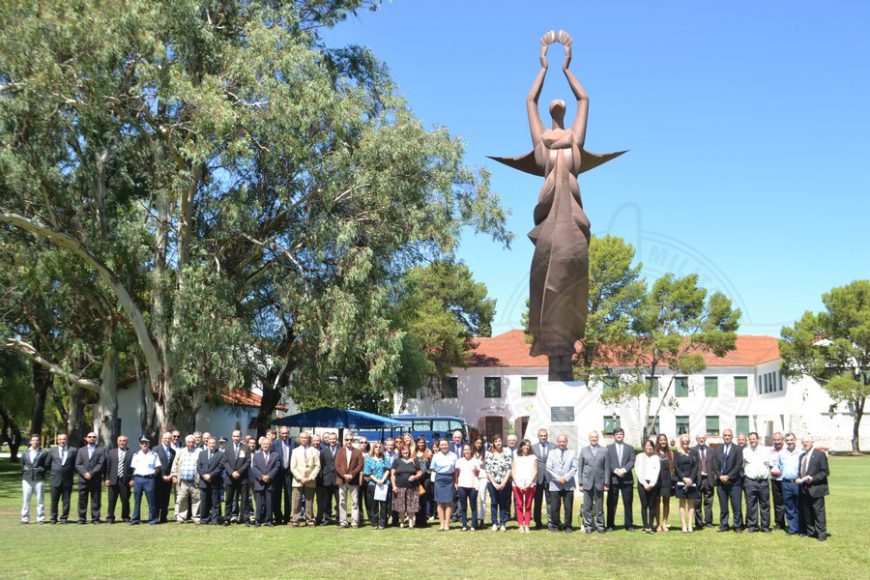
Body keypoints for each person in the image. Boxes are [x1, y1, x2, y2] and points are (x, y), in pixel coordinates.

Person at [796, 436, 829, 541]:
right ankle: (811, 532)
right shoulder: (802, 456)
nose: (805, 443)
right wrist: (798, 478)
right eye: (803, 442)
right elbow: (800, 471)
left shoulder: (820, 455)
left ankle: (821, 535)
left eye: (807, 441)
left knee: (818, 513)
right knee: (807, 512)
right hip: (804, 488)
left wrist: (813, 479)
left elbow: (825, 472)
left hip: (816, 488)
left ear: (812, 442)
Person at [711, 428, 743, 532]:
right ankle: (724, 525)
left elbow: (738, 465)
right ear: (723, 437)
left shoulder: (737, 449)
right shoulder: (718, 448)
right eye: (725, 435)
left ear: (732, 437)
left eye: (729, 435)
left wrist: (728, 476)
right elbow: (714, 464)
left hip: (734, 483)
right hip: (721, 483)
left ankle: (737, 526)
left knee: (736, 506)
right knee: (723, 506)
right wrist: (720, 476)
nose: (727, 437)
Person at [545, 434, 577, 533]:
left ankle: (568, 526)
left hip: (568, 484)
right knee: (555, 506)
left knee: (568, 507)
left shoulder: (572, 452)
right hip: (555, 484)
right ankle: (556, 525)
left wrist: (566, 478)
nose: (562, 443)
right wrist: (558, 478)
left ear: (566, 442)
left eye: (564, 441)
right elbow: (549, 468)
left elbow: (574, 467)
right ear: (557, 442)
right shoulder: (551, 453)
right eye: (560, 441)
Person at [579, 431, 609, 534]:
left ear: (598, 438)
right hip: (587, 481)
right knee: (587, 506)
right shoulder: (584, 450)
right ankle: (588, 526)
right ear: (589, 438)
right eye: (592, 437)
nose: (594, 439)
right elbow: (580, 467)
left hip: (599, 482)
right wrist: (580, 483)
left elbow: (607, 468)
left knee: (599, 506)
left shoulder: (604, 450)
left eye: (595, 437)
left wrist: (606, 483)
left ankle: (600, 525)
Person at [605, 427, 635, 531]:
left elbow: (632, 460)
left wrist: (624, 470)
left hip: (627, 479)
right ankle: (610, 524)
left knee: (628, 502)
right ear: (614, 436)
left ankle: (629, 524)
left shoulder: (629, 447)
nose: (619, 436)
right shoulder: (608, 448)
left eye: (621, 434)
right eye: (617, 434)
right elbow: (608, 461)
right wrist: (616, 470)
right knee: (611, 503)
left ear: (623, 435)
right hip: (614, 479)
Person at [290, 431, 321, 527]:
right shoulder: (295, 451)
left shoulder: (315, 451)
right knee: (297, 500)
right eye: (302, 437)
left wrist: (310, 478)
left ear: (309, 439)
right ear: (299, 439)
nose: (304, 439)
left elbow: (317, 466)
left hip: (310, 480)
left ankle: (310, 519)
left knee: (309, 500)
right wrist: (300, 478)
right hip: (298, 480)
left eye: (306, 437)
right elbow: (292, 467)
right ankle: (295, 519)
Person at [44, 433, 76, 524]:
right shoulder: (52, 451)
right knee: (54, 500)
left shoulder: (73, 451)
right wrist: (55, 472)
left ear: (67, 440)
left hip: (67, 480)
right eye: (60, 439)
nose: (62, 441)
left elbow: (74, 465)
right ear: (57, 440)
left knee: (66, 500)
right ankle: (53, 518)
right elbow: (47, 464)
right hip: (55, 480)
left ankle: (64, 518)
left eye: (64, 439)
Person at [743, 431, 771, 532]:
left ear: (758, 439)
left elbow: (769, 464)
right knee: (751, 505)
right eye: (750, 439)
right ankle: (752, 525)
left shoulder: (765, 450)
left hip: (763, 481)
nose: (752, 441)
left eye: (754, 439)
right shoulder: (745, 451)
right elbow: (742, 464)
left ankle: (765, 526)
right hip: (750, 481)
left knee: (765, 504)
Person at [75, 431, 106, 524]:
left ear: (96, 439)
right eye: (90, 437)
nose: (92, 438)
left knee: (96, 499)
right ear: (86, 438)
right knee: (82, 499)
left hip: (95, 479)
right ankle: (82, 518)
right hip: (83, 479)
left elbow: (101, 463)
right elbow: (78, 463)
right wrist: (85, 473)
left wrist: (91, 473)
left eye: (94, 437)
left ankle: (95, 518)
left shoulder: (101, 450)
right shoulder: (81, 450)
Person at [777, 433, 804, 535]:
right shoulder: (782, 454)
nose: (789, 442)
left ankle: (801, 528)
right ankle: (792, 529)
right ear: (785, 441)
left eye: (791, 440)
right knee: (789, 507)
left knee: (799, 507)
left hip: (797, 483)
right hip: (785, 484)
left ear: (795, 440)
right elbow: (778, 466)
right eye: (787, 440)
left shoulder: (801, 453)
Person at [129, 435, 161, 525]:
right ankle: (135, 519)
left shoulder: (154, 454)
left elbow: (158, 467)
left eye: (146, 443)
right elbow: (133, 468)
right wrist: (133, 479)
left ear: (149, 444)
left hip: (149, 479)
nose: (144, 444)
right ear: (140, 445)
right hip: (138, 479)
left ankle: (153, 519)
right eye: (142, 443)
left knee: (151, 500)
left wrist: (152, 475)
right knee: (137, 500)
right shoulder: (136, 455)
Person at [335, 432, 364, 528]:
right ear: (344, 440)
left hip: (353, 480)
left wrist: (352, 475)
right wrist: (344, 475)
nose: (349, 441)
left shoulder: (358, 452)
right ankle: (343, 521)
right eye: (347, 439)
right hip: (342, 480)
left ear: (353, 441)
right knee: (342, 501)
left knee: (355, 501)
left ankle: (355, 521)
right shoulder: (340, 451)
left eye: (351, 440)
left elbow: (360, 465)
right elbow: (337, 466)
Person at [171, 434, 201, 523]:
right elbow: (175, 464)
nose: (190, 444)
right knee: (182, 499)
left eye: (192, 442)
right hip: (183, 481)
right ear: (185, 442)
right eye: (188, 442)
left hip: (195, 481)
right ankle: (181, 517)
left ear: (195, 442)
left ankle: (196, 517)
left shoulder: (199, 451)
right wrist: (174, 475)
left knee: (196, 500)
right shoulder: (180, 451)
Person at [391, 444, 423, 528]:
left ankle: (411, 522)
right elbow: (392, 475)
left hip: (412, 487)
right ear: (401, 452)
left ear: (409, 451)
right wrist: (394, 486)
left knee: (412, 506)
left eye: (407, 450)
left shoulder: (414, 461)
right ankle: (401, 522)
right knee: (401, 506)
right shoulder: (396, 461)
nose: (405, 451)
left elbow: (420, 472)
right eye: (403, 450)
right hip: (399, 487)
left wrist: (415, 477)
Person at [485, 435, 513, 531]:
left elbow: (509, 469)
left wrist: (503, 483)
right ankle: (494, 523)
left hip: (504, 482)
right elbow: (488, 470)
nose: (498, 443)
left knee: (503, 503)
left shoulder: (507, 453)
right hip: (492, 483)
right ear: (493, 443)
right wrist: (495, 483)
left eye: (500, 441)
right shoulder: (489, 454)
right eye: (496, 441)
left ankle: (502, 523)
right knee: (493, 502)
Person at [104, 435, 133, 524]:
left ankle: (125, 516)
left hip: (125, 481)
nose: (122, 442)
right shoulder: (112, 452)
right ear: (117, 442)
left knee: (125, 500)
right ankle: (110, 517)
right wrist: (107, 478)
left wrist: (133, 479)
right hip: (113, 480)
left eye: (124, 441)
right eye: (120, 441)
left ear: (127, 442)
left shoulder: (131, 453)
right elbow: (107, 467)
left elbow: (134, 468)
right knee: (111, 500)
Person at [251, 436, 280, 526]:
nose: (266, 445)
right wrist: (261, 477)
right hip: (260, 482)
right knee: (259, 503)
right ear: (261, 445)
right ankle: (258, 520)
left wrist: (269, 476)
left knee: (269, 503)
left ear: (270, 445)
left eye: (267, 444)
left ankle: (268, 520)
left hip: (270, 483)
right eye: (264, 444)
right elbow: (254, 467)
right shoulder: (256, 455)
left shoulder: (275, 455)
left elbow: (277, 467)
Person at [222, 429, 249, 525]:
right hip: (230, 478)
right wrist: (232, 472)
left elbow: (247, 462)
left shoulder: (246, 448)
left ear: (241, 437)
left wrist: (239, 472)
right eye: (234, 436)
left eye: (237, 436)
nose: (236, 438)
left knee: (245, 499)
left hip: (242, 478)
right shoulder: (227, 448)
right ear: (231, 437)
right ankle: (227, 518)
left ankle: (245, 518)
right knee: (229, 499)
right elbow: (224, 462)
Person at [430, 438, 457, 531]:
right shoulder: (436, 456)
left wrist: (455, 481)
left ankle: (447, 524)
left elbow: (456, 470)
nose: (444, 446)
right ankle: (441, 524)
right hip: (439, 479)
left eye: (445, 444)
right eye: (442, 445)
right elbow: (433, 468)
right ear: (439, 446)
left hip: (450, 479)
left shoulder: (453, 455)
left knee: (448, 503)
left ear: (448, 445)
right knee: (440, 502)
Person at [363, 441, 392, 530]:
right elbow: (368, 472)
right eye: (376, 447)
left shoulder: (384, 458)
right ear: (373, 448)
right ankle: (374, 522)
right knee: (374, 505)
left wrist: (383, 480)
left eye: (379, 447)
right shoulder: (369, 459)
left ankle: (382, 523)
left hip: (384, 484)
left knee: (384, 505)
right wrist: (377, 480)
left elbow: (388, 469)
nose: (377, 448)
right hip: (373, 484)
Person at [673, 434, 699, 533]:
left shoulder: (694, 452)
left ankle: (690, 525)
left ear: (689, 441)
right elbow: (676, 467)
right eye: (683, 441)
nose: (685, 442)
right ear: (681, 441)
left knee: (691, 504)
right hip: (680, 481)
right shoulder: (676, 453)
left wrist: (691, 479)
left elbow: (696, 466)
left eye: (687, 440)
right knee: (682, 503)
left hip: (692, 481)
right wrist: (684, 478)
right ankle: (684, 525)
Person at [197, 436, 224, 524]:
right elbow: (199, 467)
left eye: (213, 443)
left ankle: (215, 519)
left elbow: (220, 467)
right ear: (207, 444)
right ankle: (204, 519)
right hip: (204, 482)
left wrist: (210, 476)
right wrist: (204, 476)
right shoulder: (202, 453)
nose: (212, 445)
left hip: (214, 482)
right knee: (204, 501)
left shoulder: (220, 454)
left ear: (215, 444)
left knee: (215, 502)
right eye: (210, 443)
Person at [512, 438, 537, 534]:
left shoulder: (533, 457)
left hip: (530, 485)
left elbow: (535, 471)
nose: (526, 447)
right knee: (519, 505)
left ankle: (527, 525)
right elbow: (513, 471)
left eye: (528, 445)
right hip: (517, 484)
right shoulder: (516, 456)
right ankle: (520, 525)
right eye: (524, 445)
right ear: (521, 446)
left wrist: (529, 483)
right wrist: (517, 484)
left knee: (528, 505)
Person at [20, 434, 47, 524]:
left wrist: (38, 470)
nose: (35, 442)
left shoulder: (43, 452)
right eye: (33, 440)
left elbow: (46, 466)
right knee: (26, 499)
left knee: (40, 499)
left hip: (39, 479)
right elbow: (22, 465)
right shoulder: (25, 452)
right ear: (30, 441)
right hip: (27, 479)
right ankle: (25, 518)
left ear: (39, 441)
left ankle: (40, 518)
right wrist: (25, 469)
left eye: (37, 440)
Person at [635, 440, 661, 534]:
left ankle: (651, 526)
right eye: (647, 445)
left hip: (653, 483)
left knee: (652, 505)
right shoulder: (639, 456)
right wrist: (645, 483)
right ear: (644, 447)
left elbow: (657, 471)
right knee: (644, 505)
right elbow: (637, 470)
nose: (649, 447)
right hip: (642, 483)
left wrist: (651, 484)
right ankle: (645, 526)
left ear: (653, 447)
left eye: (651, 445)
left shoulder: (656, 457)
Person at [690, 433, 714, 529]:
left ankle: (708, 522)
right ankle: (699, 523)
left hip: (708, 479)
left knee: (709, 502)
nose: (701, 440)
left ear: (705, 439)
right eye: (699, 438)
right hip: (697, 479)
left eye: (703, 438)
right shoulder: (692, 450)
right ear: (696, 439)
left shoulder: (711, 450)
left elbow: (715, 465)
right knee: (697, 502)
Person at [454, 443, 480, 531]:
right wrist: (456, 483)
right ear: (463, 451)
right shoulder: (459, 461)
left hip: (473, 486)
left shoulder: (475, 461)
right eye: (465, 450)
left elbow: (477, 473)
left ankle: (473, 525)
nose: (467, 451)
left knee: (473, 507)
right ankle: (464, 525)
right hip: (462, 486)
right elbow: (456, 473)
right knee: (463, 507)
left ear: (471, 450)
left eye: (468, 449)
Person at [152, 432, 175, 524]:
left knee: (166, 499)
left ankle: (163, 517)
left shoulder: (173, 451)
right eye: (166, 438)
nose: (167, 440)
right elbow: (154, 465)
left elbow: (173, 466)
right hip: (158, 478)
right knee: (157, 499)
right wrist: (162, 476)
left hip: (168, 479)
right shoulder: (155, 449)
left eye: (169, 438)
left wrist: (171, 476)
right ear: (162, 439)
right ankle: (155, 517)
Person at [273, 427, 294, 524]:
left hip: (289, 473)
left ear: (288, 433)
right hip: (278, 473)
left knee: (288, 495)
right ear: (279, 433)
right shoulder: (275, 444)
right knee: (277, 495)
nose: (284, 435)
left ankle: (286, 517)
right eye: (283, 433)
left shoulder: (293, 443)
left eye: (286, 433)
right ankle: (278, 517)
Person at [532, 428, 551, 530]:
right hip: (538, 478)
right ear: (538, 436)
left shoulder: (553, 446)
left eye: (545, 436)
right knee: (537, 501)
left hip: (550, 478)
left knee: (550, 501)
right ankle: (537, 522)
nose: (543, 437)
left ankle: (550, 521)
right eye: (541, 436)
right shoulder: (533, 447)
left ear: (547, 436)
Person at [655, 433, 674, 532]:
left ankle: (664, 523)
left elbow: (672, 468)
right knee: (656, 502)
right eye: (661, 440)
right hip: (657, 480)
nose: (663, 441)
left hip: (667, 480)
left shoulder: (670, 453)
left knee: (666, 502)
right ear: (658, 441)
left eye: (664, 440)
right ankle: (658, 524)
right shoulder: (654, 453)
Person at [413, 436, 433, 527]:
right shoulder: (414, 453)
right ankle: (417, 521)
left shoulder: (428, 453)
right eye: (419, 442)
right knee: (416, 500)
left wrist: (419, 475)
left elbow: (428, 468)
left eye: (422, 442)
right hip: (416, 480)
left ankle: (423, 521)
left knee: (424, 500)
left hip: (425, 480)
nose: (421, 444)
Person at [768, 431, 786, 530]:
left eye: (779, 439)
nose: (777, 441)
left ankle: (792, 523)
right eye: (775, 439)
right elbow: (769, 464)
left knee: (789, 502)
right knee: (777, 502)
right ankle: (779, 523)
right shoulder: (770, 451)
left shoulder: (787, 450)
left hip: (786, 480)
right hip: (775, 480)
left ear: (782, 440)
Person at [472, 436, 488, 528]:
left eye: (480, 443)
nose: (479, 445)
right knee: (473, 498)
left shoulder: (486, 453)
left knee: (482, 498)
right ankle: (474, 519)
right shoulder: (471, 453)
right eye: (477, 443)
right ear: (474, 443)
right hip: (473, 478)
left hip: (483, 478)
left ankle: (482, 519)